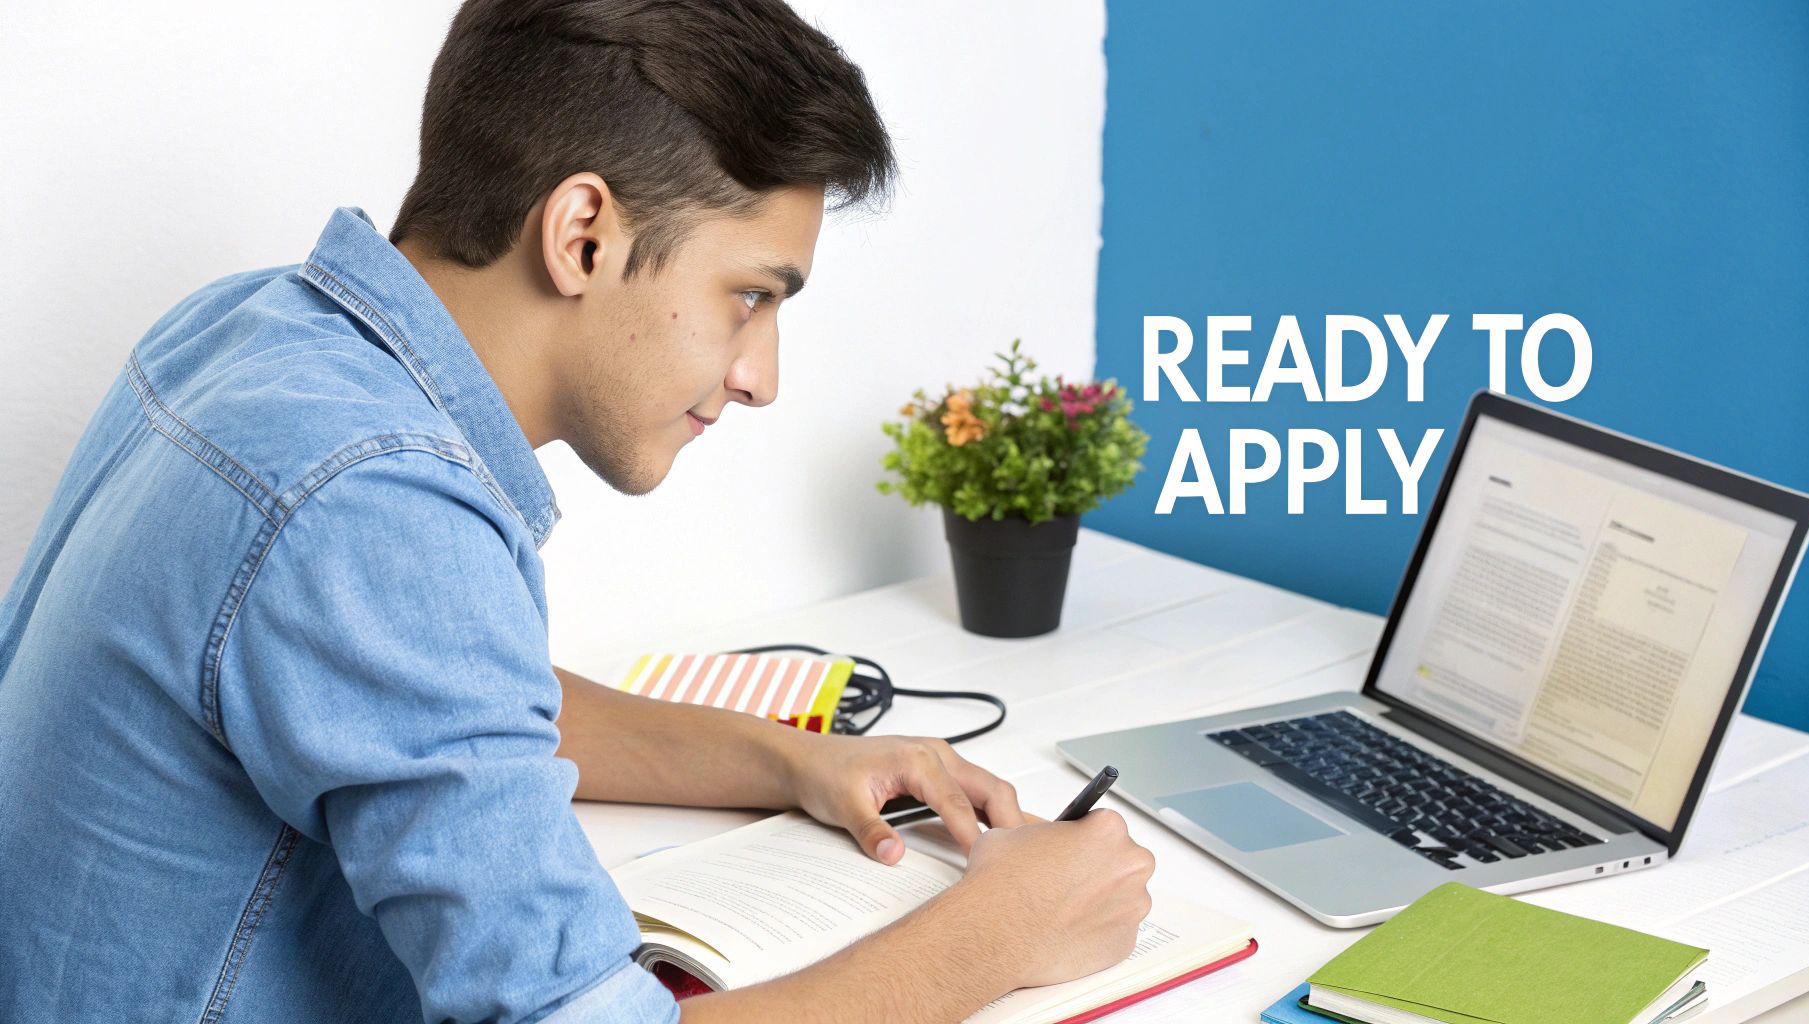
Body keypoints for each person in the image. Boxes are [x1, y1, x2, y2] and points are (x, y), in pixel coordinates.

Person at [0, 1, 1156, 1022]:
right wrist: (999, 935)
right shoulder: (376, 498)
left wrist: (799, 761)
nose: (761, 375)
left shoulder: (262, 331)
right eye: (747, 296)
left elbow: (444, 710)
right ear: (582, 233)